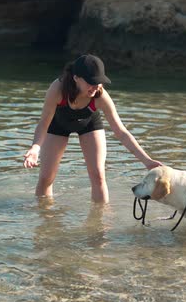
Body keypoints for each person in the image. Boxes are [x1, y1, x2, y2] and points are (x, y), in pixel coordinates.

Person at [23, 54, 162, 203]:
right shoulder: (57, 89)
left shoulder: (100, 96)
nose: (96, 87)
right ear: (76, 78)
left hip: (89, 124)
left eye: (99, 82)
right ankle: (45, 219)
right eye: (91, 82)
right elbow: (44, 122)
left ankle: (100, 222)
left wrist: (146, 161)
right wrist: (35, 148)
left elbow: (121, 132)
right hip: (58, 124)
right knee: (46, 177)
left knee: (98, 176)